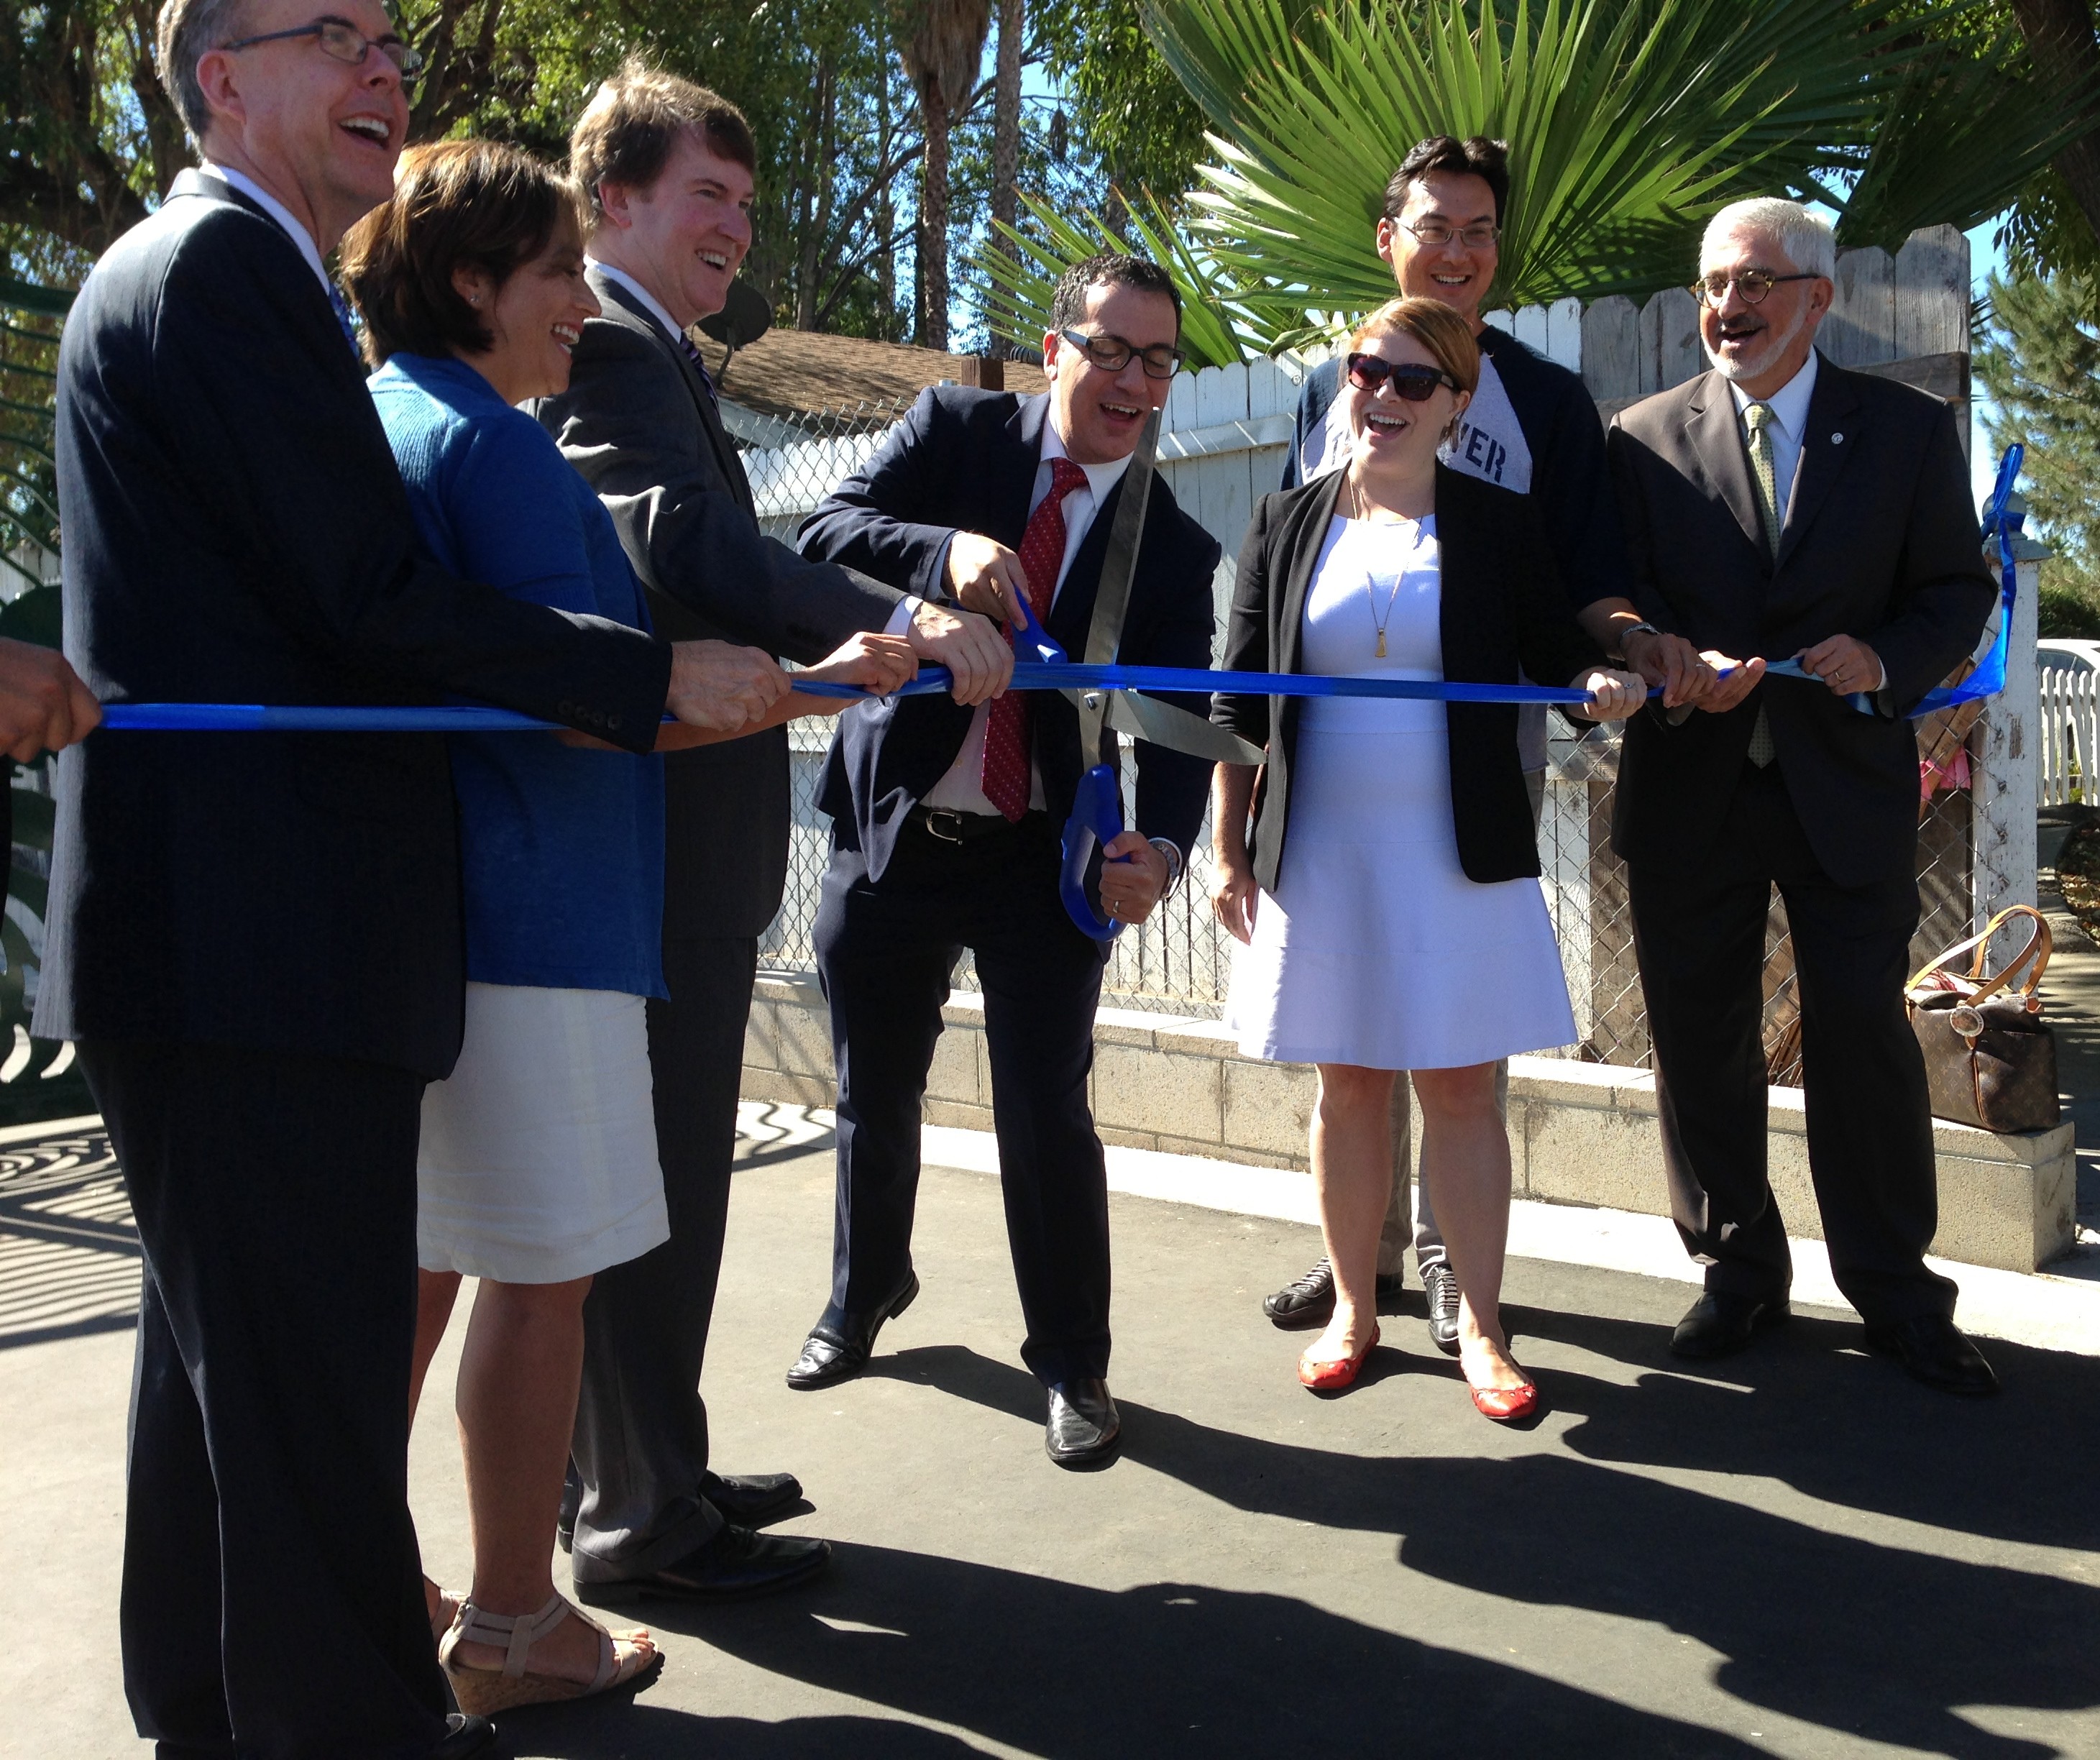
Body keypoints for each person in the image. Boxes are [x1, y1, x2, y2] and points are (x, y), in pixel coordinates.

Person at [42, 3, 785, 1754]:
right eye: (332, 34)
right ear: (224, 79)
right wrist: (645, 677)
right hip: (257, 937)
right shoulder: (221, 270)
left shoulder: (228, 275)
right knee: (304, 1416)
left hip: (227, 938)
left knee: (228, 1399)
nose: (382, 65)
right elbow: (366, 597)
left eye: (385, 36)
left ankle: (210, 1716)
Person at [341, 139, 914, 1715]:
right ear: (473, 285)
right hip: (547, 923)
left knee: (428, 1272)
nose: (579, 307)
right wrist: (802, 685)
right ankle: (517, 1623)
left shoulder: (389, 421)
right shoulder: (495, 451)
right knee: (540, 1282)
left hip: (456, 925)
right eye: (554, 276)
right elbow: (595, 693)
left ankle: (374, 1573)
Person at [533, 60, 1011, 1606]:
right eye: (706, 195)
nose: (736, 227)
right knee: (653, 1183)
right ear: (614, 200)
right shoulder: (610, 344)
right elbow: (682, 546)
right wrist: (903, 618)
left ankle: (642, 1469)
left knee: (660, 1182)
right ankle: (638, 1517)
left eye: (745, 200)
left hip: (674, 834)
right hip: (655, 839)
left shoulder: (645, 346)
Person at [1263, 134, 1709, 1348]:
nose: (1455, 252)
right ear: (1387, 240)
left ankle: (1448, 1267)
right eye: (1434, 228)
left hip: (1468, 760)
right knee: (1347, 1038)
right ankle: (1359, 1271)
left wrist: (1624, 649)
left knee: (1453, 1042)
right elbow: (1289, 573)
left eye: (1478, 232)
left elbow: (1584, 578)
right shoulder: (1327, 386)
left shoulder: (1545, 400)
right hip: (1329, 776)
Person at [791, 252, 1220, 1469]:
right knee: (873, 1093)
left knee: (1045, 1113)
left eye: (1157, 361)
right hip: (891, 836)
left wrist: (1164, 849)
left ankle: (1073, 1362)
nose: (1133, 382)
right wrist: (941, 562)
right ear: (1053, 351)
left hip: (1043, 855)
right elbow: (823, 530)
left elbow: (1181, 721)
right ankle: (863, 1295)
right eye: (1110, 350)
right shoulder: (954, 430)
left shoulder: (1170, 542)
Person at [1212, 296, 1643, 1414]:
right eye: (1366, 371)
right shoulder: (1282, 520)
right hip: (1319, 853)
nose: (1383, 396)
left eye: (1414, 381)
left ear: (1457, 401)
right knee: (1348, 1084)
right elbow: (1237, 703)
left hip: (1458, 853)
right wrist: (1228, 849)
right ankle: (1355, 1311)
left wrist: (1599, 683)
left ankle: (1484, 1331)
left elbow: (1558, 656)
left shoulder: (1498, 523)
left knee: (1458, 1091)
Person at [1606, 198, 1999, 1394]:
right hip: (1691, 782)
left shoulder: (1905, 431)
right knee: (1698, 1042)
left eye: (1754, 282)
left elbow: (1954, 593)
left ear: (1817, 298)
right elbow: (1610, 598)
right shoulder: (1638, 438)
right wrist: (1658, 653)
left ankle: (1894, 1292)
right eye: (1712, 285)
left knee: (1861, 1041)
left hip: (1844, 789)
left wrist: (1881, 659)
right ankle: (1736, 1273)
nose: (1727, 306)